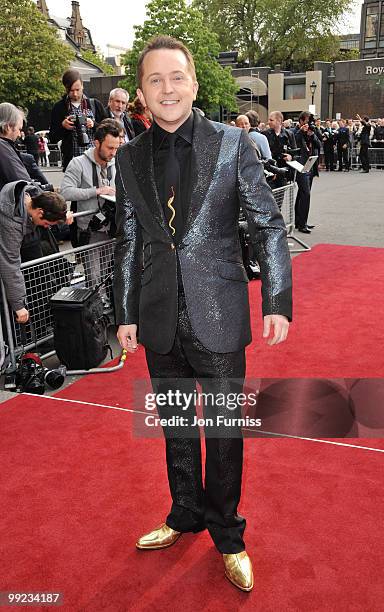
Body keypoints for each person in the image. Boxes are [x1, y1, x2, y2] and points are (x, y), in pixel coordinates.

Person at [114, 35, 292, 593]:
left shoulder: (234, 144)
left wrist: (277, 299)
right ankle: (184, 513)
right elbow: (127, 241)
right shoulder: (127, 156)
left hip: (219, 312)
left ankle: (228, 533)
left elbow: (266, 224)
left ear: (194, 82)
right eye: (154, 80)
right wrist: (125, 313)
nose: (167, 88)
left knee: (223, 430)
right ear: (142, 92)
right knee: (175, 429)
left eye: (176, 77)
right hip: (158, 315)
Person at [60, 121, 120, 305]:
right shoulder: (78, 163)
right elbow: (66, 191)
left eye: (116, 148)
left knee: (105, 272)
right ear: (97, 143)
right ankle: (96, 314)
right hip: (89, 230)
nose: (113, 152)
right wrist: (96, 191)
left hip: (111, 228)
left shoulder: (116, 163)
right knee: (94, 276)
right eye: (110, 147)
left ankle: (103, 308)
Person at [0, 182, 69, 323]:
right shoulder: (11, 223)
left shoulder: (33, 193)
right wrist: (18, 305)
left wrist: (62, 215)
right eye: (47, 224)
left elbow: (50, 197)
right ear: (40, 212)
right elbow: (10, 265)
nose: (45, 227)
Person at [49, 69, 107, 171]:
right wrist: (63, 126)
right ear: (66, 89)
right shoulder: (59, 107)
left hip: (95, 159)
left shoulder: (94, 104)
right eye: (71, 91)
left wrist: (93, 124)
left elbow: (108, 129)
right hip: (72, 162)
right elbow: (53, 137)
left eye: (78, 89)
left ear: (82, 85)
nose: (75, 94)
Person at [292, 111, 321, 233]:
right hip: (300, 166)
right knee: (306, 193)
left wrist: (312, 134)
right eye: (307, 121)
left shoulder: (312, 131)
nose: (309, 123)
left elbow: (319, 144)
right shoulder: (294, 132)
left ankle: (300, 222)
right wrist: (301, 132)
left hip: (311, 166)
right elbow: (293, 142)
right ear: (301, 121)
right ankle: (302, 223)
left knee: (302, 194)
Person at [0, 103, 31, 191]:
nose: (19, 134)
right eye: (19, 129)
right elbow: (23, 183)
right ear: (8, 127)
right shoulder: (3, 148)